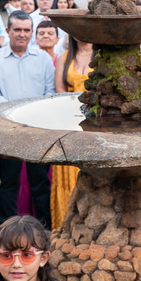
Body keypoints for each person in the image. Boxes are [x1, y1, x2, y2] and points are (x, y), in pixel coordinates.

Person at [0, 12, 55, 228]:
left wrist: (32, 115)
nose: (22, 34)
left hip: (38, 129)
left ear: (31, 32)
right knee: (9, 181)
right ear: (7, 31)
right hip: (8, 130)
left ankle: (44, 229)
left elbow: (50, 92)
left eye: (26, 30)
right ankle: (6, 228)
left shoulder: (43, 58)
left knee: (40, 182)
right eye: (17, 30)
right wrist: (17, 116)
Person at [51, 33, 94, 229]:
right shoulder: (64, 57)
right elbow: (59, 90)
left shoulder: (101, 57)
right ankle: (65, 227)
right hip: (68, 122)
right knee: (66, 175)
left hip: (94, 124)